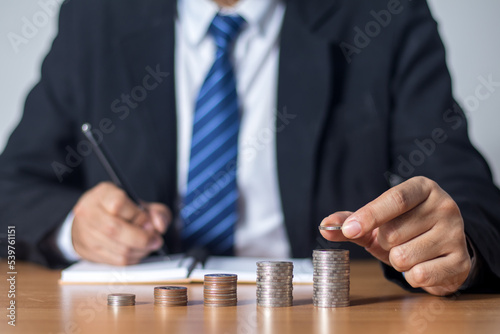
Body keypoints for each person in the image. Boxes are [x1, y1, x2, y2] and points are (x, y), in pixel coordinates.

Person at [0, 0, 499, 296]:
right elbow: (11, 188)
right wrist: (73, 227)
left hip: (328, 315)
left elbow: (468, 197)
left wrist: (459, 245)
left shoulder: (383, 14)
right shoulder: (96, 16)